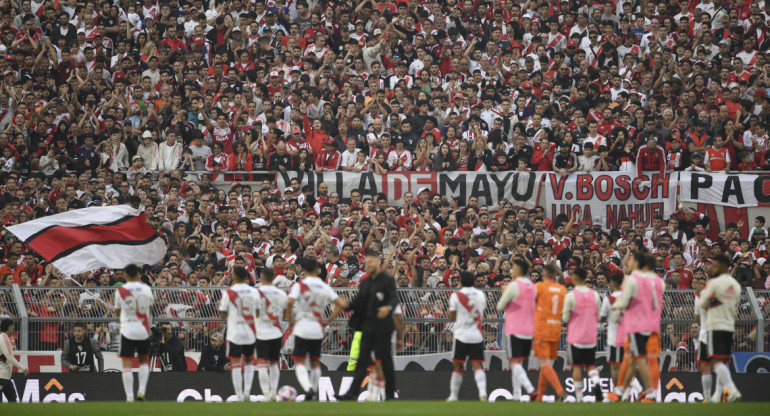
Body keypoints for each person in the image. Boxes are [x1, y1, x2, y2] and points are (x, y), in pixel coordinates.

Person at [339, 250, 400, 402]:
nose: (368, 265)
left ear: (378, 262)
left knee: (386, 361)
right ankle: (351, 394)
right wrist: (346, 306)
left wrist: (388, 308)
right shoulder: (365, 282)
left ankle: (390, 395)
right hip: (367, 326)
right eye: (366, 263)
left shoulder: (387, 280)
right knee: (362, 361)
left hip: (383, 327)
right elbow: (358, 301)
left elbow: (394, 298)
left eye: (370, 262)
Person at [286, 259, 346, 401]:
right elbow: (340, 304)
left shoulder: (300, 285)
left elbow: (289, 302)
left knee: (299, 362)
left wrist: (291, 319)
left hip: (302, 327)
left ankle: (308, 389)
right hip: (317, 328)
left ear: (304, 271)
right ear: (318, 270)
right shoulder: (323, 286)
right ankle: (313, 392)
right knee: (314, 362)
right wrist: (328, 320)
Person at [609, 253, 656, 402]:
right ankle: (620, 391)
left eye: (630, 260)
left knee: (639, 359)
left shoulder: (632, 279)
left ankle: (650, 393)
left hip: (636, 325)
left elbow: (623, 301)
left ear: (636, 263)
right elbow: (654, 303)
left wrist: (615, 310)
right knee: (631, 359)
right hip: (648, 324)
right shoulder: (649, 280)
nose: (628, 263)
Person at [699, 254, 742, 403]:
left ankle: (732, 390)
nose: (714, 267)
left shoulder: (715, 283)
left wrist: (713, 302)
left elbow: (702, 304)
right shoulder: (736, 286)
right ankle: (718, 396)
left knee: (715, 361)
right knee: (722, 362)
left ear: (723, 266)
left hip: (714, 326)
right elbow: (735, 309)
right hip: (729, 326)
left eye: (716, 265)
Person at [496, 259, 537, 402]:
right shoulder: (532, 286)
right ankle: (516, 395)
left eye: (513, 267)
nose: (512, 270)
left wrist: (504, 292)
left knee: (514, 362)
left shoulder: (513, 286)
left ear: (519, 270)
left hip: (514, 329)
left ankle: (531, 390)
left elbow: (500, 306)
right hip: (529, 329)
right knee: (518, 363)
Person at [218, 266, 260, 402]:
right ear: (246, 277)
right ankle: (247, 391)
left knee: (235, 363)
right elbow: (258, 312)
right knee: (248, 362)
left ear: (235, 277)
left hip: (235, 333)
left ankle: (239, 395)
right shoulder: (254, 292)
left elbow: (223, 314)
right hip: (249, 332)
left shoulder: (229, 292)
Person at [562, 267, 602, 402]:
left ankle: (579, 398)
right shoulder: (594, 295)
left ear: (574, 278)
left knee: (577, 367)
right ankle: (596, 382)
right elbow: (599, 314)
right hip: (590, 336)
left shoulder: (571, 295)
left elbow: (566, 318)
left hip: (576, 337)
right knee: (591, 365)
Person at [447, 271, 488, 402]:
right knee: (477, 365)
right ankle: (483, 394)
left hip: (461, 335)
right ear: (474, 282)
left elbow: (451, 317)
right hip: (476, 335)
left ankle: (453, 396)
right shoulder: (481, 294)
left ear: (461, 282)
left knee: (458, 365)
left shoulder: (456, 296)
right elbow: (482, 310)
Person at [114, 264, 153, 402]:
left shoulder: (120, 290)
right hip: (143, 330)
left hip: (127, 331)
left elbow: (117, 312)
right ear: (139, 275)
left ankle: (130, 397)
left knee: (127, 365)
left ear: (125, 275)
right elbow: (150, 309)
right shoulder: (147, 289)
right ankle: (141, 391)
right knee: (144, 361)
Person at [533, 264, 567, 401]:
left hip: (542, 328)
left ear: (543, 274)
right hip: (556, 328)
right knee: (545, 363)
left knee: (543, 363)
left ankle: (560, 391)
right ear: (555, 275)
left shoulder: (540, 287)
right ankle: (539, 396)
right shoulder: (562, 289)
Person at [255, 268, 287, 401]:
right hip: (276, 332)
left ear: (261, 277)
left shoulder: (255, 293)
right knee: (274, 364)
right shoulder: (281, 294)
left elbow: (253, 313)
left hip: (261, 333)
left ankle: (267, 394)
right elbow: (285, 314)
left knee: (262, 365)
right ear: (273, 277)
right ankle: (274, 392)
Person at [1, 319, 29, 402]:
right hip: (2, 376)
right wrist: (23, 368)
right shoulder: (4, 338)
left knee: (12, 399)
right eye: (13, 328)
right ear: (9, 327)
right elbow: (9, 357)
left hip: (5, 377)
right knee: (12, 400)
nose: (13, 330)